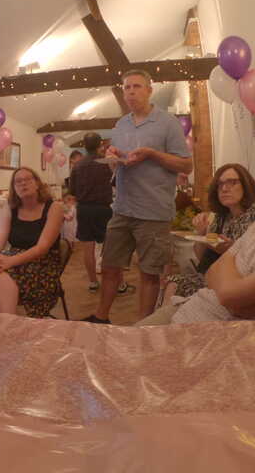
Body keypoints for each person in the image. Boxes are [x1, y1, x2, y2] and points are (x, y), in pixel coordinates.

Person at [137, 140, 255, 325]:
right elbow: (210, 269)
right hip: (194, 305)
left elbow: (230, 293)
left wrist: (228, 281)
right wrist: (208, 243)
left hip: (211, 326)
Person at [83, 70, 192, 324]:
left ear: (149, 90)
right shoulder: (121, 125)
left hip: (154, 212)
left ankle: (143, 326)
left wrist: (152, 154)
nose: (131, 91)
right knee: (110, 265)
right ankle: (101, 317)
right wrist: (114, 156)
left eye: (137, 86)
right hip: (122, 208)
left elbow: (186, 166)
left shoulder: (167, 122)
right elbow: (118, 161)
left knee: (149, 272)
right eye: (127, 87)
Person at [163, 164, 255, 302]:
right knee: (172, 282)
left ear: (246, 185)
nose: (224, 188)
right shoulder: (221, 216)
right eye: (220, 184)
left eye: (232, 182)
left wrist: (231, 250)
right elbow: (202, 258)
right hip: (212, 276)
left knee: (175, 285)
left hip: (237, 283)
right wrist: (201, 233)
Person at [0, 167, 64, 318]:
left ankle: (5, 322)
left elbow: (42, 248)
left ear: (37, 183)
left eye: (27, 179)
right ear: (14, 188)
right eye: (18, 181)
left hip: (43, 264)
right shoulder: (10, 208)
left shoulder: (54, 208)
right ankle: (6, 322)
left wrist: (9, 261)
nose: (23, 183)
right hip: (14, 261)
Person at [69, 132, 115, 293]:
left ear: (84, 145)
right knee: (110, 248)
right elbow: (116, 183)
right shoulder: (106, 163)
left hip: (84, 209)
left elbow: (72, 191)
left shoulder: (77, 166)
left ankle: (93, 282)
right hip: (103, 209)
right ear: (100, 144)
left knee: (88, 248)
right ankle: (117, 283)